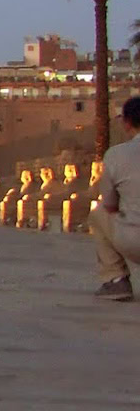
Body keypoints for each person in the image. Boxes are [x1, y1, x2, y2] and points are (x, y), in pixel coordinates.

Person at [89, 96, 140, 299]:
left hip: (134, 241)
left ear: (127, 123)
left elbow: (109, 204)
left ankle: (116, 279)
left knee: (98, 213)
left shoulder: (116, 155)